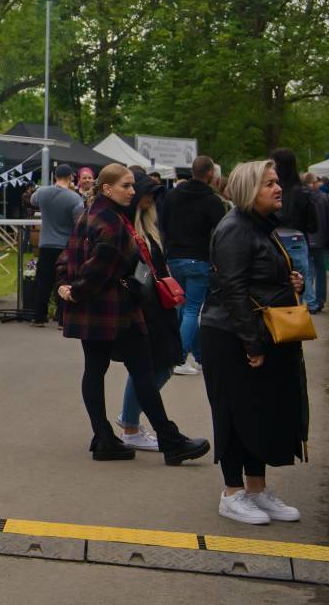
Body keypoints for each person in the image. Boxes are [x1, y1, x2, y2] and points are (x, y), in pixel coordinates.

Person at [56, 163, 210, 464]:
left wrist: (67, 285)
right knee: (141, 372)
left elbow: (68, 257)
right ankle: (169, 440)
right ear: (107, 188)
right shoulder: (112, 223)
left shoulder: (88, 216)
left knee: (97, 370)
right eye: (125, 186)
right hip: (117, 310)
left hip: (95, 310)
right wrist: (78, 288)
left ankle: (105, 438)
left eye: (132, 185)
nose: (132, 191)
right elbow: (103, 268)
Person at [199, 160, 309, 525]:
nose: (278, 188)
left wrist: (293, 284)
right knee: (233, 413)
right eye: (268, 184)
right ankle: (232, 494)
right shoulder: (235, 229)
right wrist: (252, 345)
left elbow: (260, 279)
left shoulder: (261, 227)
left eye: (277, 182)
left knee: (258, 413)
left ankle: (258, 490)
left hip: (255, 333)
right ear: (249, 190)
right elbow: (232, 290)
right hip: (231, 335)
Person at [115, 173, 186, 449]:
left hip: (159, 305)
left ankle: (130, 420)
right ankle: (131, 425)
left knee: (159, 366)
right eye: (145, 192)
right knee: (152, 367)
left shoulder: (149, 226)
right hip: (143, 306)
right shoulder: (127, 228)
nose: (148, 197)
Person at [159, 155, 228, 374]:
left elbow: (163, 224)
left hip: (174, 257)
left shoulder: (173, 195)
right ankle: (179, 357)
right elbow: (221, 233)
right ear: (210, 174)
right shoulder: (213, 201)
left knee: (181, 306)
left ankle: (198, 355)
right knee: (192, 310)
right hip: (198, 259)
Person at [30, 163, 84, 327]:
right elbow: (79, 222)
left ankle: (39, 317)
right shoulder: (74, 198)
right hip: (65, 246)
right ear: (71, 177)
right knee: (63, 281)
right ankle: (62, 319)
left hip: (45, 243)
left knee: (43, 281)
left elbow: (32, 201)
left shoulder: (42, 192)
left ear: (54, 176)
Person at [270, 149, 318, 305]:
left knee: (273, 291)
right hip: (296, 241)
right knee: (298, 292)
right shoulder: (304, 192)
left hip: (274, 241)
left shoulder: (271, 191)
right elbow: (313, 225)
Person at [303, 172, 329, 315]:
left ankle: (310, 302)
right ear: (314, 183)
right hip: (322, 239)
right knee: (321, 271)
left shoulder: (301, 197)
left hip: (304, 240)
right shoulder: (325, 197)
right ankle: (319, 300)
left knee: (307, 272)